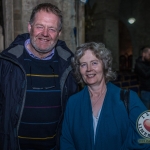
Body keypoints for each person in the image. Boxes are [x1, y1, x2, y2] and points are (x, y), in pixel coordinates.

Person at [0, 3, 78, 150]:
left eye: (52, 29)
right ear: (30, 27)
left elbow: (73, 115)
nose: (45, 33)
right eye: (40, 26)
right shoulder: (6, 62)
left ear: (59, 33)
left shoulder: (70, 66)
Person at [60, 42, 150, 150]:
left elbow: (146, 137)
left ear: (104, 65)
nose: (89, 69)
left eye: (94, 63)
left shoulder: (129, 98)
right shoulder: (73, 102)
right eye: (83, 64)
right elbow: (66, 141)